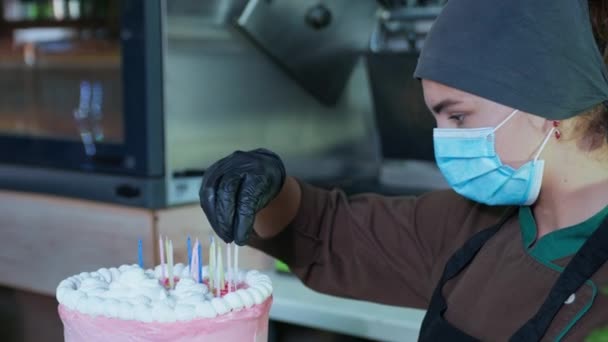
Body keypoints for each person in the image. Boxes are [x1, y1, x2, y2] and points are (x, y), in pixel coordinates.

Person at [199, 0, 608, 340]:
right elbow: (329, 234)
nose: (443, 140)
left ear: (548, 106)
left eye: (459, 118)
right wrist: (266, 191)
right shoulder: (473, 226)